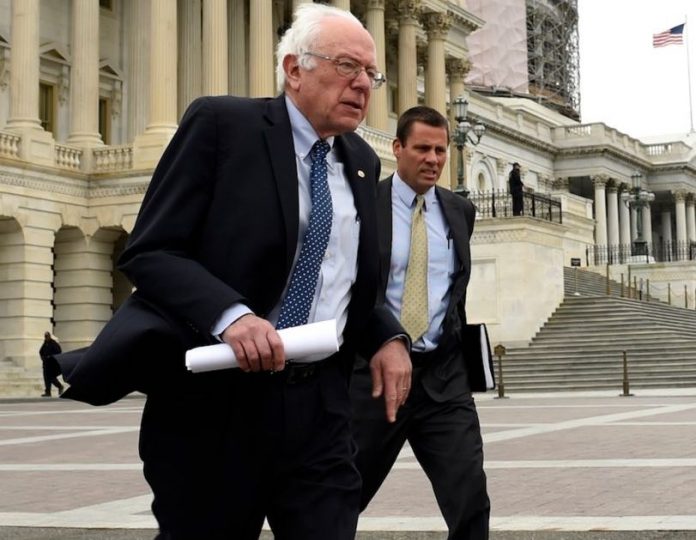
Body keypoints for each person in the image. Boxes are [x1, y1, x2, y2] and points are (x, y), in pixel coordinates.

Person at [109, 4, 411, 540]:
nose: (363, 84)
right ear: (295, 69)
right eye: (347, 66)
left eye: (371, 73)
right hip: (219, 408)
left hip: (319, 411)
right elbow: (151, 251)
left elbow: (340, 279)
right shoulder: (224, 126)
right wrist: (232, 316)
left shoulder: (362, 162)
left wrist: (386, 333)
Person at [350, 106, 490, 539]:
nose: (433, 159)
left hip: (442, 380)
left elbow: (454, 294)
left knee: (469, 496)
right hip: (374, 378)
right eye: (422, 148)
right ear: (397, 149)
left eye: (441, 150)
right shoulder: (362, 206)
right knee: (340, 495)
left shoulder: (459, 211)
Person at [39, 332, 64, 397]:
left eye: (47, 336)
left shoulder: (54, 344)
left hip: (52, 365)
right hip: (45, 364)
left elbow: (58, 352)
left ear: (50, 336)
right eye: (45, 336)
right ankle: (48, 392)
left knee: (51, 378)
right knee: (46, 378)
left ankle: (60, 386)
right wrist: (42, 357)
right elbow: (41, 351)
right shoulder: (45, 343)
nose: (46, 337)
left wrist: (51, 357)